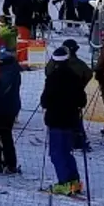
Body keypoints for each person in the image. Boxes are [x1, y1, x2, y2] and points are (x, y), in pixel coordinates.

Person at [39, 49, 88, 194]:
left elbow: (45, 101)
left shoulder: (53, 78)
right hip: (71, 119)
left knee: (56, 153)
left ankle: (64, 182)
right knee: (67, 151)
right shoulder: (75, 77)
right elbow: (82, 100)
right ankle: (74, 180)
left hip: (56, 119)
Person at [0, 45, 22, 174]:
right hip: (7, 107)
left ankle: (1, 162)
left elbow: (1, 90)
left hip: (4, 108)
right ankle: (7, 162)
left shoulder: (8, 71)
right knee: (3, 135)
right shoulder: (8, 69)